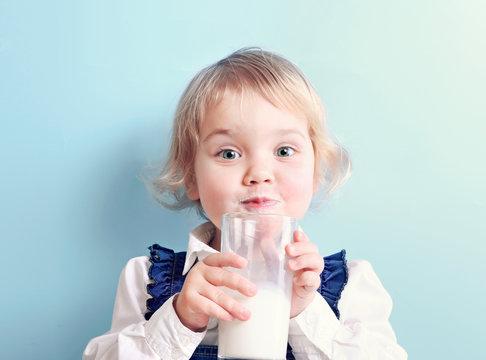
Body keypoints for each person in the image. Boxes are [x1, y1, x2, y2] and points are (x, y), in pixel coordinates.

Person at [83, 47, 407, 360]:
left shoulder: (353, 285)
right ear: (192, 178)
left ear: (314, 174)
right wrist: (180, 319)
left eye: (283, 151)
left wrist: (305, 311)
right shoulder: (146, 279)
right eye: (229, 153)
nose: (259, 174)